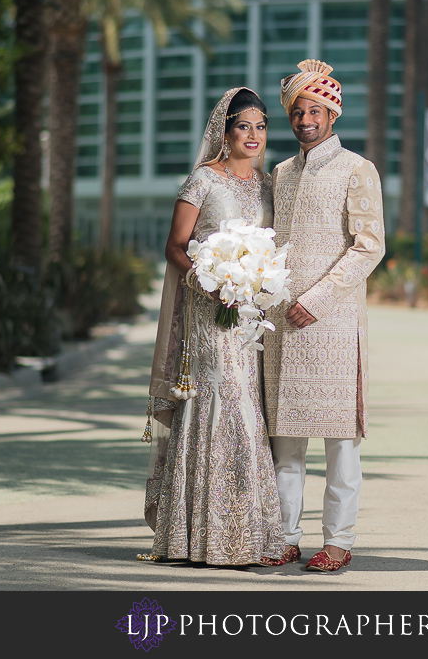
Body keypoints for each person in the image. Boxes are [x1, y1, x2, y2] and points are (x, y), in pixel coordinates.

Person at [142, 87, 285, 566]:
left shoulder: (268, 185)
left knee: (246, 401)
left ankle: (243, 533)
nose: (254, 135)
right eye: (244, 126)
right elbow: (175, 245)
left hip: (249, 314)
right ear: (225, 132)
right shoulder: (204, 179)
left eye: (261, 126)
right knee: (223, 398)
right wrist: (208, 282)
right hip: (208, 308)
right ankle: (201, 535)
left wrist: (258, 283)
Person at [261, 60, 386, 572]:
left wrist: (316, 300)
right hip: (281, 325)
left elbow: (369, 246)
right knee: (284, 444)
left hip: (331, 324)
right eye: (297, 111)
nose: (305, 119)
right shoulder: (281, 173)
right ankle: (285, 536)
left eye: (315, 110)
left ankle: (338, 540)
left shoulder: (357, 168)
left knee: (340, 444)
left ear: (332, 114)